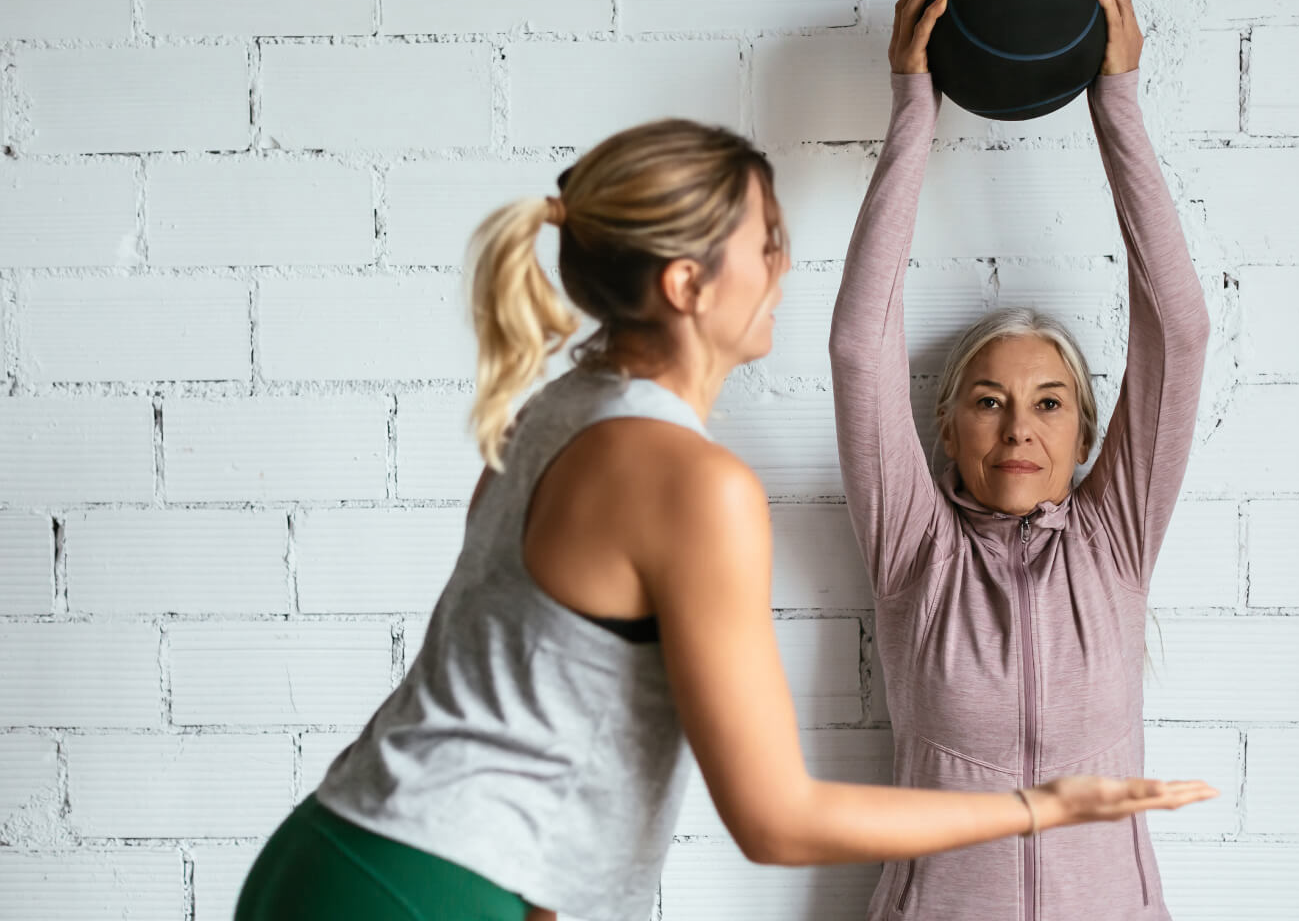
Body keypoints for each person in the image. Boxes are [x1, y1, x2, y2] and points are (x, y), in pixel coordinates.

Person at [235, 112, 1214, 921]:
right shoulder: (694, 483)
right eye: (767, 242)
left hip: (349, 853)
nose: (785, 264)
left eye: (1048, 403)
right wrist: (1036, 806)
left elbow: (524, 697)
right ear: (687, 284)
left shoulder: (557, 411)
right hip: (426, 888)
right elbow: (773, 818)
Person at [830, 0, 1213, 921]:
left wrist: (1116, 103)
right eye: (988, 402)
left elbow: (1180, 333)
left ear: (1086, 435)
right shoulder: (915, 555)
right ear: (947, 431)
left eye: (1048, 403)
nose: (1017, 428)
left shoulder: (1116, 543)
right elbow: (857, 347)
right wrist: (914, 108)